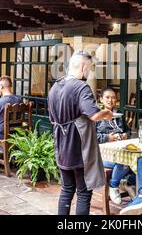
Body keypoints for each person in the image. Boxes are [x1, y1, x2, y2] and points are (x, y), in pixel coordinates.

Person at [48, 50, 113, 215]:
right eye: (89, 69)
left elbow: (52, 119)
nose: (89, 73)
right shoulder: (81, 87)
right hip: (78, 148)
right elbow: (94, 115)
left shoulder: (55, 86)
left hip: (61, 147)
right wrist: (107, 113)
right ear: (84, 67)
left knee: (67, 188)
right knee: (83, 192)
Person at [96, 87, 136, 204]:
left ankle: (128, 183)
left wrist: (125, 135)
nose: (110, 100)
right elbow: (91, 137)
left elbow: (128, 131)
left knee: (137, 159)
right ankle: (114, 186)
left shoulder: (119, 115)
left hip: (119, 151)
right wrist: (108, 138)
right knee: (124, 161)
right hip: (101, 156)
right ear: (101, 99)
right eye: (107, 97)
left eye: (113, 97)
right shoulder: (96, 116)